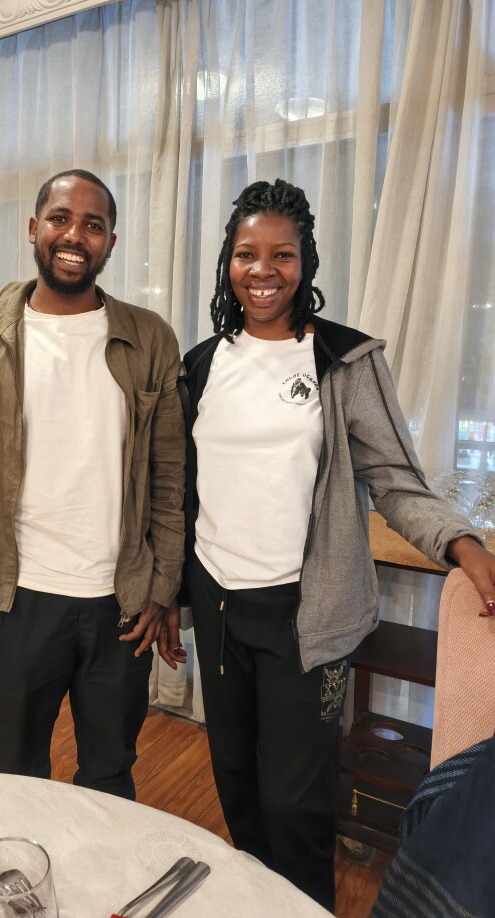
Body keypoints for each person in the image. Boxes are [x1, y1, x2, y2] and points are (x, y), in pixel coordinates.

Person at [157, 179, 495, 910]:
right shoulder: (203, 364)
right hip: (218, 605)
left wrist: (463, 545)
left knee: (296, 800)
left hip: (305, 615)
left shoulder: (343, 360)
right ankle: (256, 900)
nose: (263, 270)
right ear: (228, 262)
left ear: (305, 261)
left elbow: (394, 478)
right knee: (237, 781)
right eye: (247, 254)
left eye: (282, 254)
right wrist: (169, 597)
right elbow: (180, 491)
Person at [0, 168, 186, 800]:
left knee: (109, 774)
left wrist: (163, 589)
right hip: (16, 600)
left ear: (110, 243)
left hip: (119, 603)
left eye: (93, 225)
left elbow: (170, 478)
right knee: (18, 775)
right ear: (34, 228)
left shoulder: (149, 337)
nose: (75, 236)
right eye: (61, 219)